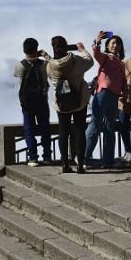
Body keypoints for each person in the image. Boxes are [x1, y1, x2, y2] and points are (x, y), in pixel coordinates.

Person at [43, 36, 94, 173]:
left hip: (62, 103)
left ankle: (65, 164)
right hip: (79, 101)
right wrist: (82, 50)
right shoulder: (76, 60)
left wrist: (46, 56)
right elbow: (90, 62)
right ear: (66, 46)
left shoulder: (50, 66)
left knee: (63, 132)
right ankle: (80, 164)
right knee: (79, 131)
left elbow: (54, 65)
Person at [85, 32, 127, 168]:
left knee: (109, 128)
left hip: (114, 97)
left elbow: (123, 81)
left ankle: (108, 160)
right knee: (95, 125)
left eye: (118, 43)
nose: (116, 45)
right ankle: (84, 157)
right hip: (102, 94)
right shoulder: (105, 57)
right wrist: (97, 41)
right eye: (113, 43)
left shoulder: (120, 62)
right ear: (108, 46)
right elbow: (96, 53)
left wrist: (125, 94)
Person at [14, 38, 52, 167]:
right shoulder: (44, 64)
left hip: (26, 102)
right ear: (36, 49)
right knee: (45, 128)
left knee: (29, 129)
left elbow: (18, 78)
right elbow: (55, 67)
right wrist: (45, 56)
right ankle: (47, 156)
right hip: (42, 100)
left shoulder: (19, 65)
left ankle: (33, 157)